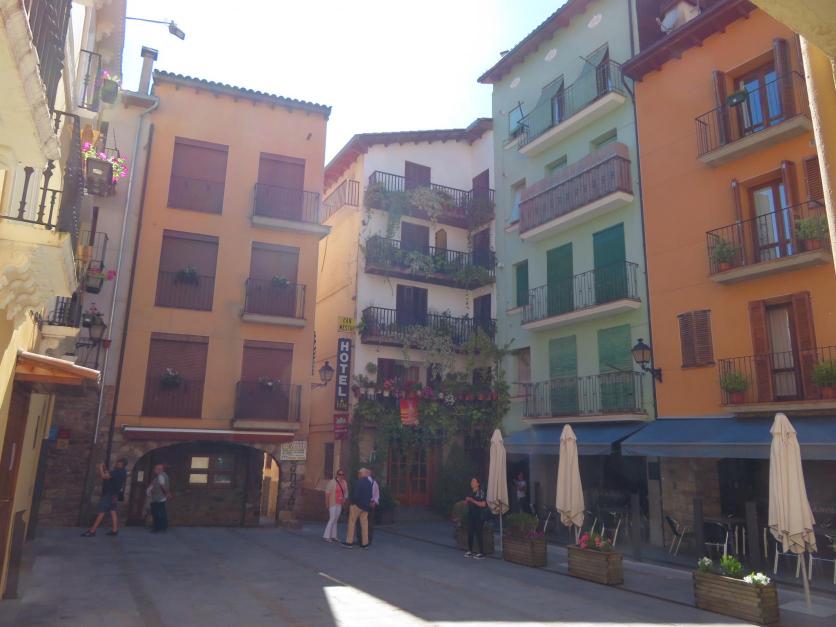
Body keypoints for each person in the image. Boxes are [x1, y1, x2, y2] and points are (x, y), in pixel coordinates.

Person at [81, 458, 128, 537]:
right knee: (113, 511)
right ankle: (115, 530)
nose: (116, 464)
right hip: (115, 495)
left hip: (109, 495)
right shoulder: (123, 472)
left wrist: (100, 468)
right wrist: (105, 468)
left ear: (121, 464)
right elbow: (110, 475)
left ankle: (92, 531)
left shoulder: (116, 472)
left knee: (101, 511)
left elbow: (104, 476)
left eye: (118, 463)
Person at [342, 468, 373, 549]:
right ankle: (365, 544)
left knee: (352, 523)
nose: (358, 475)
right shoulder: (369, 483)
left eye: (359, 473)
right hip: (365, 507)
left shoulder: (359, 482)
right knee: (364, 525)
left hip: (357, 506)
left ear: (361, 474)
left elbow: (356, 495)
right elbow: (370, 495)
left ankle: (349, 542)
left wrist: (353, 503)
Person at [464, 477, 487, 559]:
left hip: (478, 515)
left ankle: (481, 553)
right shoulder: (470, 492)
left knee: (478, 533)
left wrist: (472, 500)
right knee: (470, 532)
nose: (472, 483)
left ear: (478, 484)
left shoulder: (480, 492)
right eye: (471, 481)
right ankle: (470, 551)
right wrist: (466, 501)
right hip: (471, 515)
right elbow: (467, 502)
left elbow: (483, 504)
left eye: (473, 481)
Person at [323, 469, 348, 542]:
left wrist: (344, 499)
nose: (341, 476)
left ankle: (334, 536)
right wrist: (327, 503)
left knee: (336, 519)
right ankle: (326, 536)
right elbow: (327, 493)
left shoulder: (344, 482)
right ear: (337, 475)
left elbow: (346, 492)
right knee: (332, 518)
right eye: (339, 474)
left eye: (342, 474)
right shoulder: (332, 482)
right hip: (333, 502)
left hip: (339, 503)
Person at [147, 463, 172, 533]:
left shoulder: (161, 476)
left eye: (155, 469)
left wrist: (167, 494)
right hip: (159, 497)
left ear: (159, 470)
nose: (154, 470)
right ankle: (163, 527)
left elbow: (162, 486)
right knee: (161, 512)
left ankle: (158, 528)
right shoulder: (161, 476)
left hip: (158, 498)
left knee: (157, 513)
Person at [367, 469, 380, 544]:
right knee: (365, 522)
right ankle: (365, 538)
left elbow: (377, 495)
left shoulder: (374, 483)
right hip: (365, 503)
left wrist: (374, 502)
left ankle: (368, 539)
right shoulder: (364, 482)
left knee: (370, 522)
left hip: (370, 503)